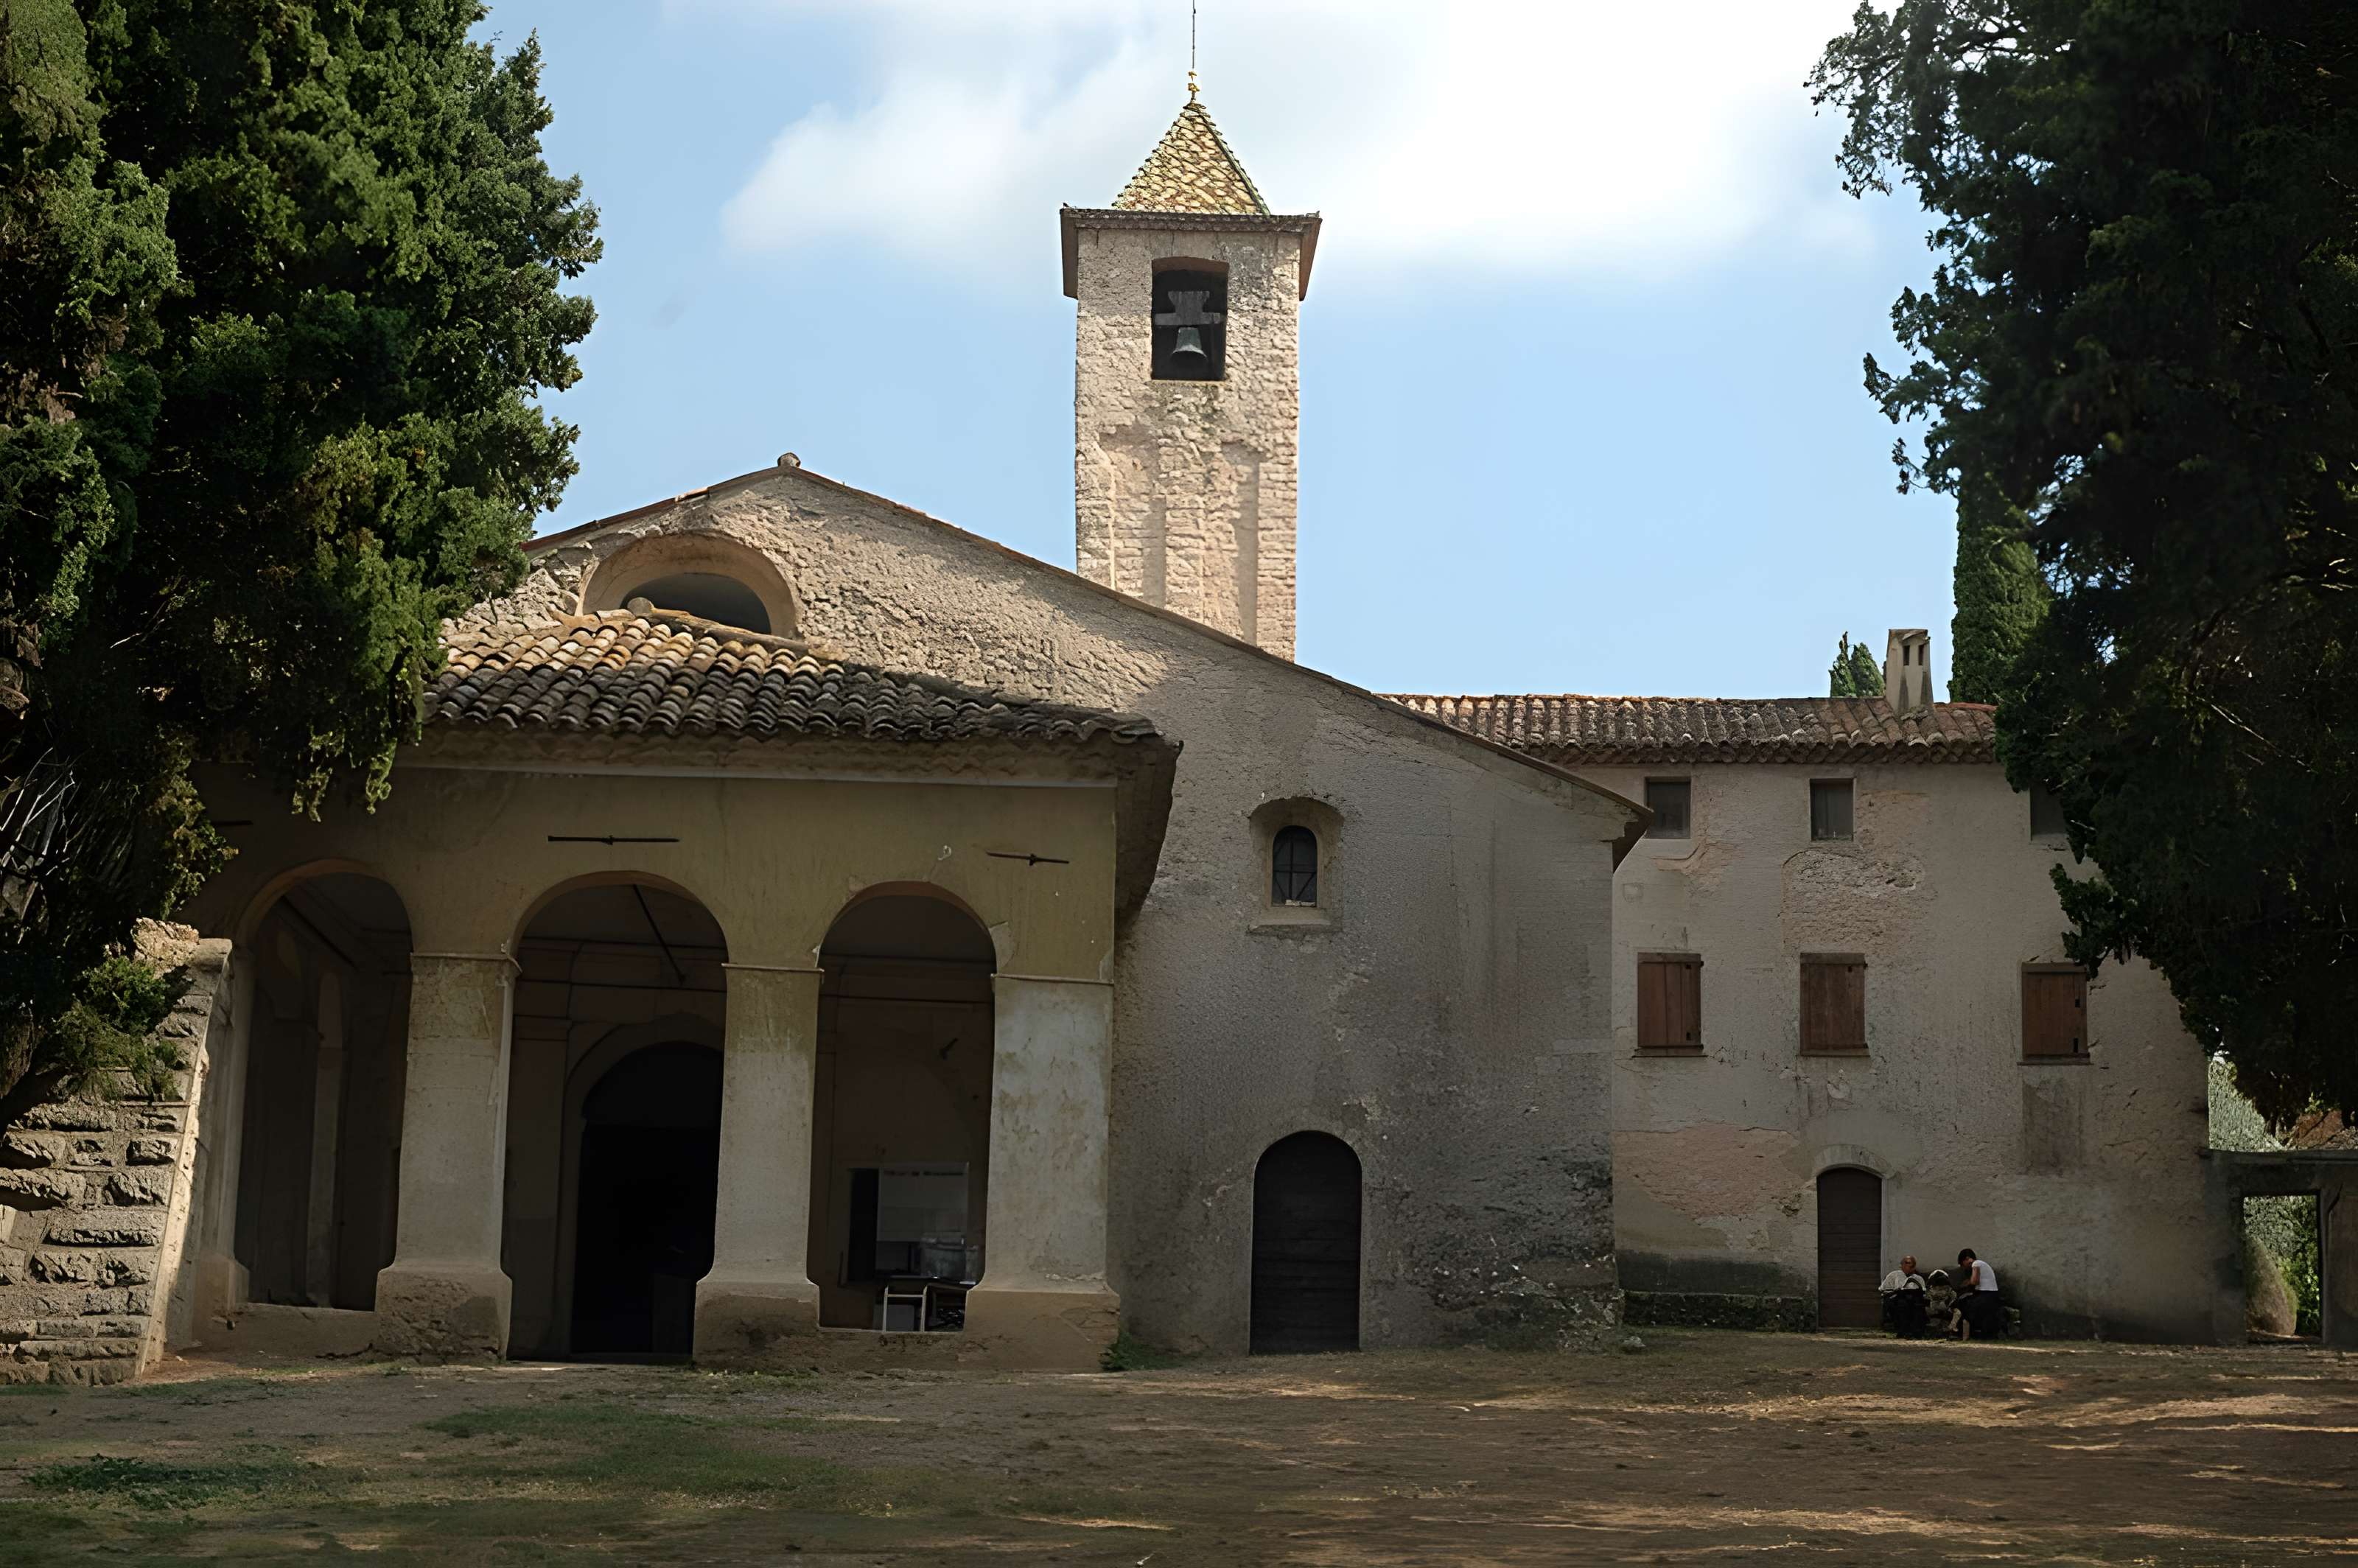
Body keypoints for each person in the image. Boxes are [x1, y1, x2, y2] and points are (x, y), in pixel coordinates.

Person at [1950, 1247, 2003, 1339]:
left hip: (1988, 1296)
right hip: (1989, 1296)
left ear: (1967, 1259)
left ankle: (1960, 1332)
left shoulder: (1976, 1264)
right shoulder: (1981, 1264)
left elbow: (1975, 1281)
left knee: (1963, 1305)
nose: (1965, 1267)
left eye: (1963, 1264)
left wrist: (1967, 1283)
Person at [1879, 1255, 1928, 1337]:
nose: (1910, 1266)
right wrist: (1896, 1292)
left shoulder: (1918, 1278)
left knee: (1918, 1306)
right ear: (1901, 1265)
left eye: (1912, 1264)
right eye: (1907, 1263)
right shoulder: (1894, 1276)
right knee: (1902, 1304)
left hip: (1914, 1300)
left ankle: (1916, 1332)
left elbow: (1924, 1293)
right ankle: (1903, 1331)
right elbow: (1884, 1292)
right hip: (1897, 1300)